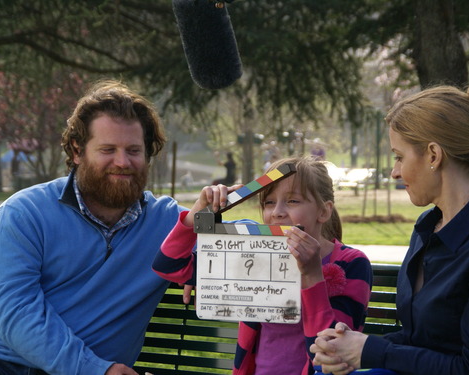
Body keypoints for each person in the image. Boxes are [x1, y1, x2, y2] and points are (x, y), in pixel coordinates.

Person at [310, 82, 469, 375]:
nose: (394, 171)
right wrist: (349, 347)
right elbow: (423, 341)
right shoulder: (428, 227)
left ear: (433, 155)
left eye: (399, 156)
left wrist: (372, 351)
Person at [0, 80, 187, 375]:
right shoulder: (23, 214)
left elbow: (245, 238)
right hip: (0, 364)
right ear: (77, 151)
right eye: (107, 149)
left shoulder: (167, 223)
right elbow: (15, 311)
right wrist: (95, 370)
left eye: (133, 150)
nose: (122, 162)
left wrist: (203, 255)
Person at [153, 156, 373, 375]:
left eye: (293, 201)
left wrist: (312, 275)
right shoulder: (254, 255)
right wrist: (198, 213)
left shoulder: (351, 263)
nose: (277, 212)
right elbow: (169, 266)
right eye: (269, 202)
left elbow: (331, 354)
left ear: (323, 212)